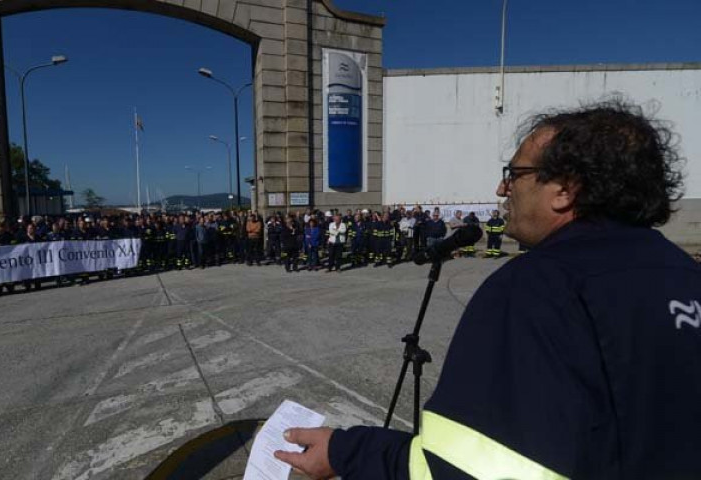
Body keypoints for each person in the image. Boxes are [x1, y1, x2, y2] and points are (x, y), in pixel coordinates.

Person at [274, 100, 701, 479]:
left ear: (565, 189)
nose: (502, 188)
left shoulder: (540, 285)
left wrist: (345, 451)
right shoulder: (685, 273)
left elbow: (465, 470)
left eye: (515, 173)